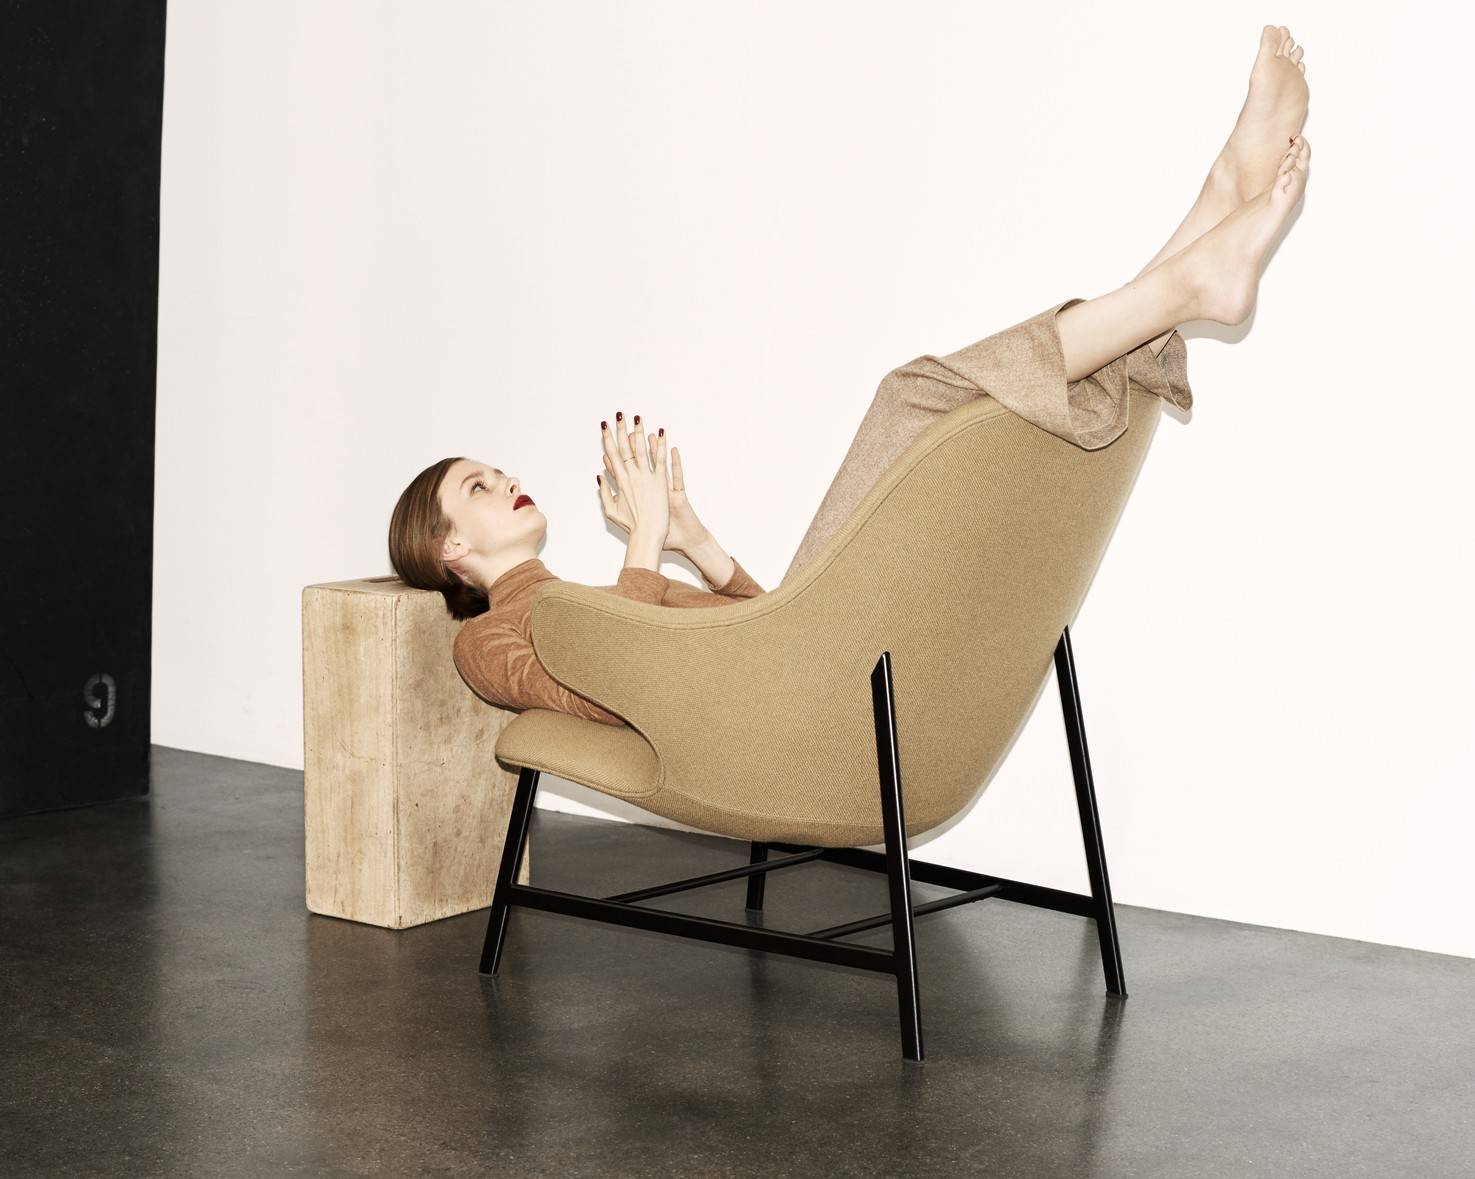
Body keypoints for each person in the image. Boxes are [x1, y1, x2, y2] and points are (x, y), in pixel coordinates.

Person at [388, 24, 1310, 727]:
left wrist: (695, 542)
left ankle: (1209, 219)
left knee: (944, 399)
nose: (506, 479)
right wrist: (645, 545)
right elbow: (608, 692)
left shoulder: (588, 600)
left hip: (801, 666)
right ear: (448, 549)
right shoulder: (485, 642)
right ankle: (1196, 254)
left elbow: (764, 624)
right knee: (912, 395)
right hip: (790, 708)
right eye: (479, 486)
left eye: (494, 470)